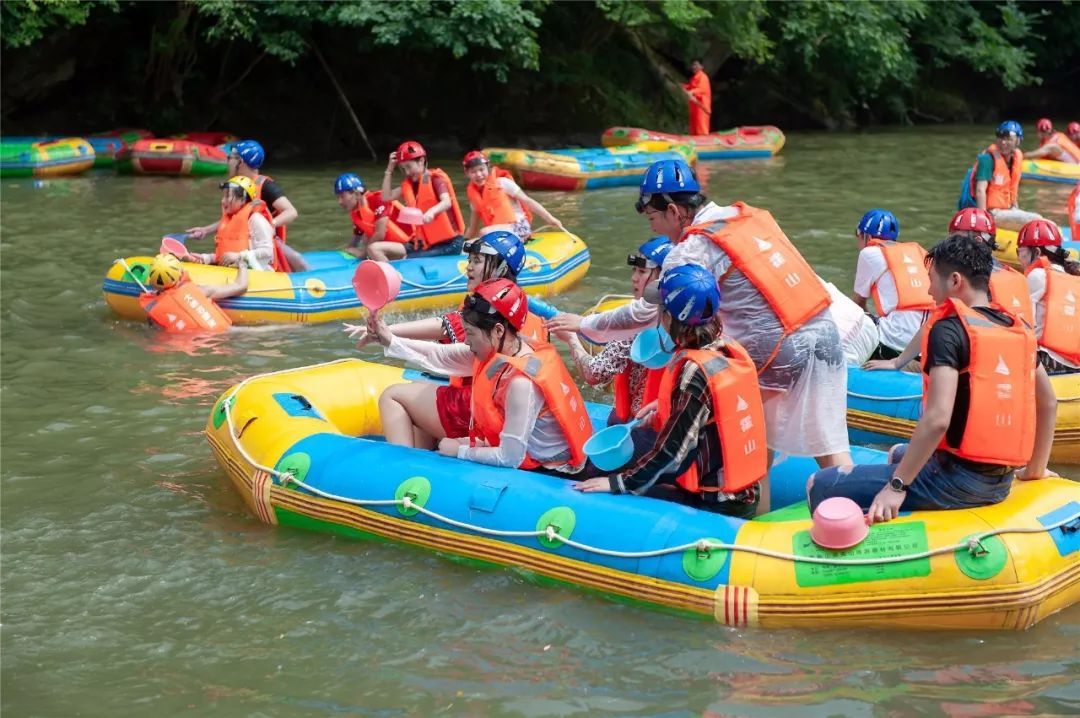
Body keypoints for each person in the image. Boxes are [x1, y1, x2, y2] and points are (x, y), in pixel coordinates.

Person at [548, 159, 851, 469]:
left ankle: (748, 507)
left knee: (753, 445)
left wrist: (585, 325)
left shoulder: (689, 252)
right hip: (822, 328)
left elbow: (645, 313)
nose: (652, 226)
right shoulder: (741, 215)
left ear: (674, 212)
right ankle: (851, 499)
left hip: (778, 350)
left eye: (652, 216)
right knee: (828, 443)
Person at [808, 234, 1057, 523]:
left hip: (957, 481)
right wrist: (1035, 469)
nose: (928, 289)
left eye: (931, 279)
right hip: (999, 481)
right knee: (898, 453)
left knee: (820, 484)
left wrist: (897, 486)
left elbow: (938, 419)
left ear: (954, 281)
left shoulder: (949, 330)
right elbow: (1048, 402)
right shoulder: (1019, 329)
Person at [574, 264, 768, 518]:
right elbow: (713, 409)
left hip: (714, 503)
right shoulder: (725, 346)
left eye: (661, 310)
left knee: (601, 493)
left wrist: (618, 483)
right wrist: (666, 407)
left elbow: (674, 455)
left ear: (669, 318)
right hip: (744, 493)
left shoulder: (693, 373)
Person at [367, 279, 592, 474]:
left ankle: (398, 476)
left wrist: (460, 451)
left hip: (551, 470)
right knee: (420, 404)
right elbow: (440, 354)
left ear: (498, 331)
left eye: (471, 334)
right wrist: (387, 338)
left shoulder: (521, 384)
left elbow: (510, 457)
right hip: (525, 451)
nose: (466, 341)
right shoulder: (505, 348)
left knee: (445, 444)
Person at [346, 230, 548, 442]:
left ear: (502, 268)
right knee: (419, 394)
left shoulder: (488, 308)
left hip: (484, 410)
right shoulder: (518, 306)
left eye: (477, 261)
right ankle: (425, 459)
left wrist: (390, 337)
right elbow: (447, 327)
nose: (469, 266)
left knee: (392, 396)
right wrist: (388, 333)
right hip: (506, 407)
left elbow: (445, 337)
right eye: (470, 260)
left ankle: (401, 470)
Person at [865, 208, 1033, 372]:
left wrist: (897, 362)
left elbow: (938, 321)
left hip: (976, 365)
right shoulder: (1016, 278)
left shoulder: (970, 281)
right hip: (1016, 364)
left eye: (955, 240)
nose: (950, 246)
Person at [551, 237, 671, 465]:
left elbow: (594, 374)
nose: (634, 278)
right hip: (672, 430)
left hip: (638, 432)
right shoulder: (691, 321)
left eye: (642, 272)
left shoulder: (632, 326)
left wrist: (571, 340)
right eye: (634, 271)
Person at [187, 139, 309, 271]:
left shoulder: (265, 186)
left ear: (241, 162)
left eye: (230, 158)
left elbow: (291, 212)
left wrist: (269, 225)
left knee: (298, 260)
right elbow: (234, 220)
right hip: (243, 242)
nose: (228, 162)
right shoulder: (235, 186)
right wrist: (206, 230)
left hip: (263, 240)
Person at [851, 208, 934, 360]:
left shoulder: (869, 253)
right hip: (928, 342)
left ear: (866, 236)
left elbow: (858, 305)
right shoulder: (920, 252)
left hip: (896, 341)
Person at [1015, 219, 1080, 374]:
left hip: (1046, 362)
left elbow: (1025, 325)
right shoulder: (1072, 277)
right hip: (1075, 362)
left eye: (1020, 252)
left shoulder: (1036, 276)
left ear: (1036, 252)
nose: (1018, 258)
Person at [380, 140, 466, 256]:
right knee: (407, 256)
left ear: (421, 161)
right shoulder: (409, 185)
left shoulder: (435, 179)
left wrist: (431, 212)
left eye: (409, 167)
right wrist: (389, 170)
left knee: (411, 258)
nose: (407, 172)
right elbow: (386, 197)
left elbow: (446, 202)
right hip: (431, 243)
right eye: (403, 169)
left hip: (451, 243)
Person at [462, 151, 564, 242]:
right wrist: (463, 243)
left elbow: (528, 201)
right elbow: (473, 227)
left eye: (481, 169)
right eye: (473, 172)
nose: (479, 174)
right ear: (467, 174)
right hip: (498, 233)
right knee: (469, 245)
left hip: (519, 228)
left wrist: (550, 218)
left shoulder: (502, 183)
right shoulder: (475, 198)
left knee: (484, 232)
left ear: (487, 168)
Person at [959, 121, 1043, 231]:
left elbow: (1012, 191)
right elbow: (980, 190)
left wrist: (1015, 210)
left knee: (1039, 220)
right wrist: (983, 222)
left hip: (1007, 210)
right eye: (1000, 137)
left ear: (1018, 141)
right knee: (1036, 220)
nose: (1003, 142)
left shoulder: (1015, 159)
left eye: (1009, 139)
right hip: (991, 213)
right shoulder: (987, 159)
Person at [188, 176, 275, 271]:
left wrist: (239, 256)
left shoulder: (256, 220)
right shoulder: (229, 220)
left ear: (242, 199)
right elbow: (227, 255)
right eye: (223, 196)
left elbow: (268, 252)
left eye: (227, 196)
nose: (223, 201)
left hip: (258, 274)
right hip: (233, 272)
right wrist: (206, 258)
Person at [140, 253, 234, 333]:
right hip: (223, 332)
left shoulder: (153, 313)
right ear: (180, 275)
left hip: (195, 342)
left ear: (151, 280)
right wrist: (242, 263)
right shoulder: (198, 290)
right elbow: (241, 286)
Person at [333, 172, 414, 261]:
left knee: (372, 247)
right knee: (366, 239)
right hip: (393, 247)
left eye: (342, 196)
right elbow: (355, 241)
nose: (340, 202)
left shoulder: (378, 199)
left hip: (411, 245)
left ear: (356, 193)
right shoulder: (356, 213)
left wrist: (362, 254)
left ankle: (391, 272)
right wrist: (346, 253)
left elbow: (380, 234)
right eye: (338, 197)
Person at [683, 59, 712, 136]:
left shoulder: (704, 77)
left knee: (701, 129)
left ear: (701, 66)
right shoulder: (693, 78)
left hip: (702, 107)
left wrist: (691, 92)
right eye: (693, 65)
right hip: (694, 107)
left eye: (696, 65)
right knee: (693, 129)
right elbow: (690, 87)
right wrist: (682, 86)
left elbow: (701, 89)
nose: (693, 67)